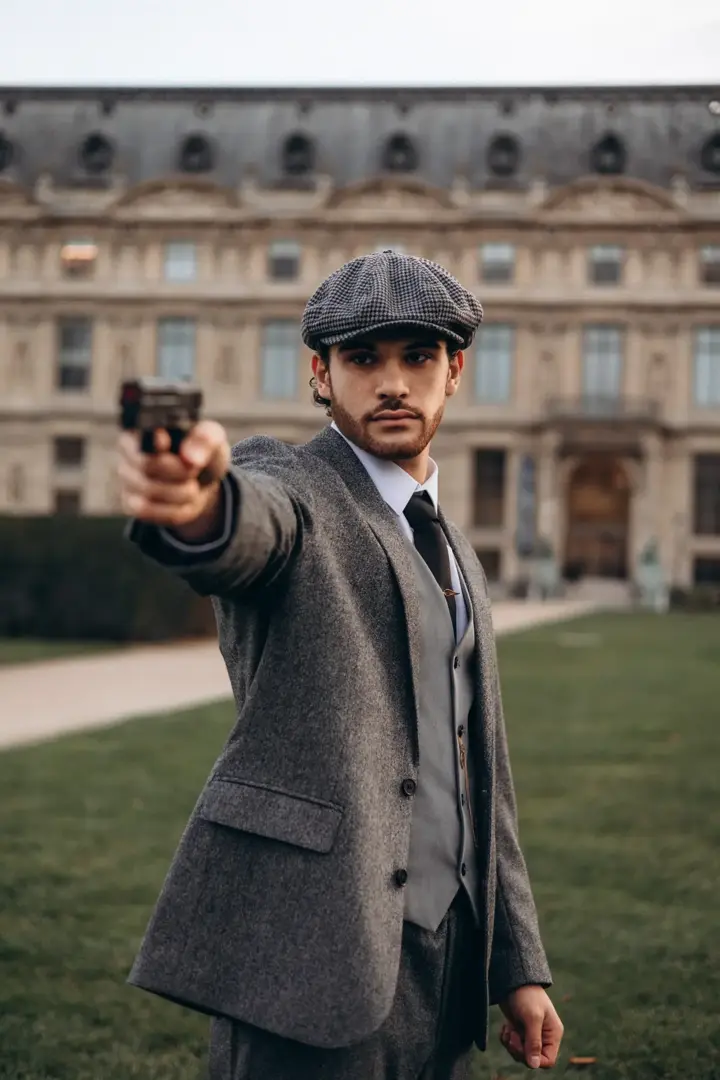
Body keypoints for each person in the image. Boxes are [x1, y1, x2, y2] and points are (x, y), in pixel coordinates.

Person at [117, 250, 564, 1080]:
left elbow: (481, 779)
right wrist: (198, 506)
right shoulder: (295, 485)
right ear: (320, 376)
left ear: (454, 371)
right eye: (363, 359)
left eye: (416, 357)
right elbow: (250, 527)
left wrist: (518, 965)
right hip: (309, 954)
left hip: (449, 964)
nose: (392, 382)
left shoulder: (454, 547)